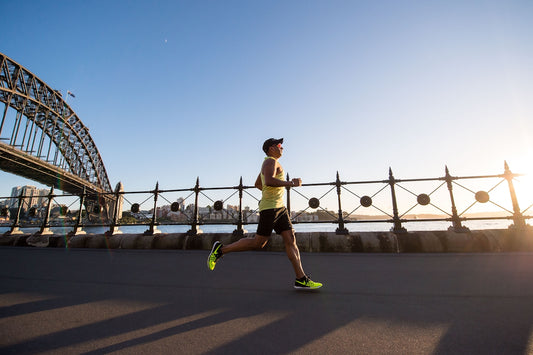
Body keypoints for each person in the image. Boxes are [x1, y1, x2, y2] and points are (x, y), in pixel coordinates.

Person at [207, 138, 323, 289]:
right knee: (259, 243)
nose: (282, 148)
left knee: (290, 239)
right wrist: (291, 184)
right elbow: (268, 181)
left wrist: (271, 194)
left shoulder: (271, 162)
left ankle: (301, 278)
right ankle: (220, 250)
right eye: (279, 145)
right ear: (270, 148)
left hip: (280, 208)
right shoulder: (270, 162)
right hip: (270, 209)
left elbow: (258, 184)